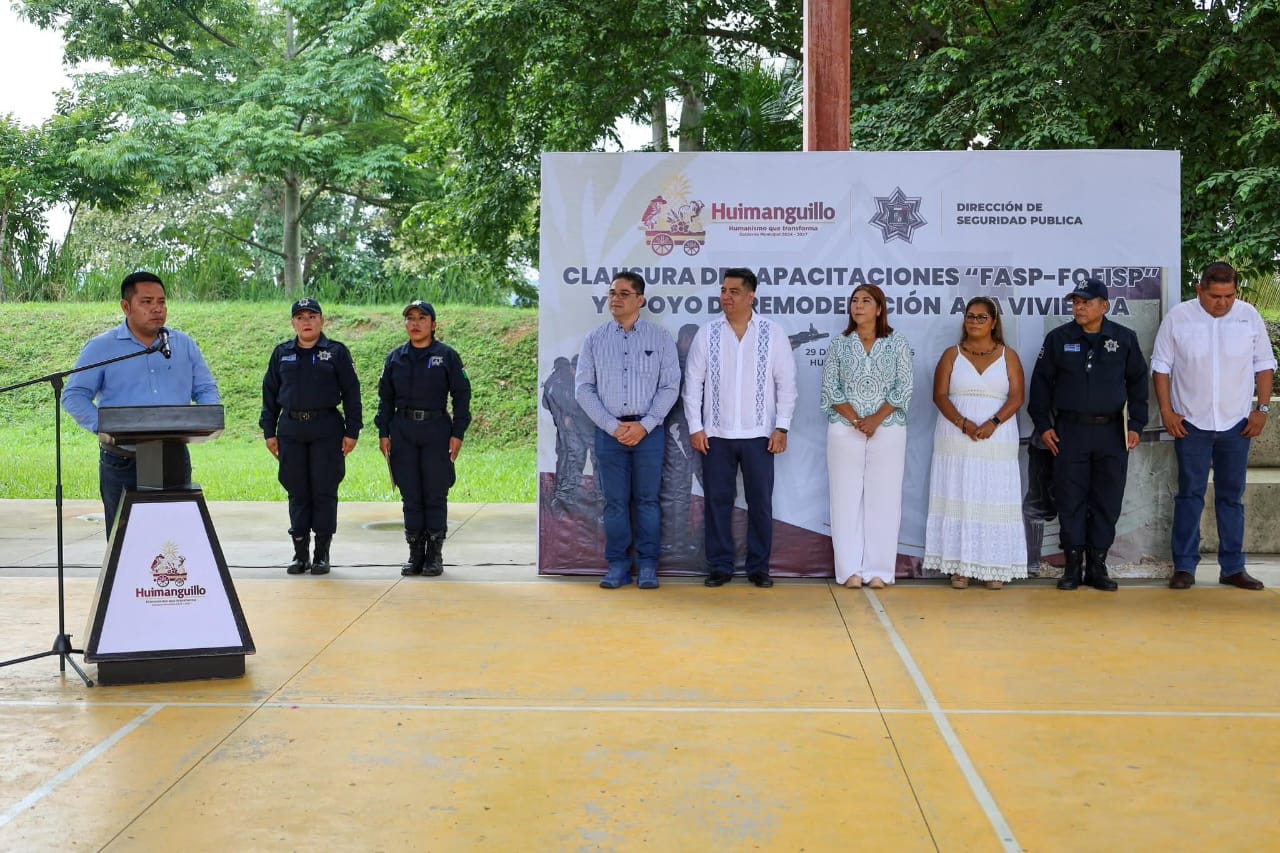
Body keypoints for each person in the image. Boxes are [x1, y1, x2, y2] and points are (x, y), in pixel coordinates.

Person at [63, 271, 220, 539]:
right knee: (125, 542)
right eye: (147, 302)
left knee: (173, 541)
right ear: (126, 306)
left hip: (172, 456)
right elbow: (74, 395)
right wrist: (102, 426)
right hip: (123, 460)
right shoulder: (103, 347)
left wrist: (209, 416)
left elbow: (205, 388)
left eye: (162, 301)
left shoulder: (183, 345)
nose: (157, 309)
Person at [1152, 261, 1276, 591]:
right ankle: (1184, 567)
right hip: (1191, 424)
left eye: (1229, 296)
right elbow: (1161, 367)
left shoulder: (1249, 317)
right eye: (1215, 296)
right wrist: (1167, 411)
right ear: (1200, 290)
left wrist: (1261, 410)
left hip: (1237, 425)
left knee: (1231, 497)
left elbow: (1264, 366)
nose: (1222, 303)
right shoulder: (1179, 317)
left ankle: (1233, 567)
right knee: (1190, 495)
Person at [1028, 278, 1149, 591]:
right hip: (1071, 432)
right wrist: (1044, 426)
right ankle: (1072, 568)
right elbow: (1040, 385)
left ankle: (1097, 566)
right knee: (1071, 500)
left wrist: (1136, 424)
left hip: (1112, 433)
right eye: (1075, 302)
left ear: (1104, 306)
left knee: (1107, 500)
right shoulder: (1058, 339)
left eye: (1086, 302)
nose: (1079, 307)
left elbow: (1138, 384)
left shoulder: (1124, 339)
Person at [683, 268, 798, 588]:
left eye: (734, 291)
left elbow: (786, 384)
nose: (726, 297)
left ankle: (758, 567)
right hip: (715, 435)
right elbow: (692, 384)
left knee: (761, 503)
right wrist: (695, 426)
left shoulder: (772, 333)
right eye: (723, 291)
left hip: (760, 435)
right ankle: (720, 565)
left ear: (751, 296)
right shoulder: (708, 333)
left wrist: (782, 428)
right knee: (717, 501)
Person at [574, 271, 680, 589]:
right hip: (610, 433)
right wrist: (612, 426)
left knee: (647, 500)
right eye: (612, 293)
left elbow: (670, 386)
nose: (616, 299)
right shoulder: (594, 340)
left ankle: (648, 565)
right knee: (614, 502)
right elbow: (583, 389)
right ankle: (618, 565)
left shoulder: (659, 338)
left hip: (649, 432)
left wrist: (645, 425)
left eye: (623, 293)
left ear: (640, 299)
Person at [923, 297, 1028, 590]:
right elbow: (940, 396)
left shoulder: (1009, 355)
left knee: (993, 497)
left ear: (994, 322)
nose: (974, 322)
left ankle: (993, 566)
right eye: (970, 316)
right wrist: (963, 423)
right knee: (959, 493)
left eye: (982, 317)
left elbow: (1018, 397)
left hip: (997, 435)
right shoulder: (951, 354)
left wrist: (993, 423)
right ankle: (960, 567)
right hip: (956, 436)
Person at [819, 283, 914, 589]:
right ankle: (850, 571)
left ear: (879, 308)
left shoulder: (897, 342)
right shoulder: (840, 343)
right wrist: (859, 420)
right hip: (845, 429)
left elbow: (904, 388)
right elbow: (830, 390)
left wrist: (875, 420)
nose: (858, 306)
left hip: (888, 429)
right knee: (845, 498)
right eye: (854, 301)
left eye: (866, 301)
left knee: (884, 498)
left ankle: (879, 571)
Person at [260, 298, 362, 576]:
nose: (306, 322)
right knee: (297, 490)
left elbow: (352, 393)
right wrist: (269, 432)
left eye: (312, 316)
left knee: (324, 491)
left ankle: (321, 554)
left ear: (322, 320)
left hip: (326, 429)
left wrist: (353, 431)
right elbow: (269, 395)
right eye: (301, 317)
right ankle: (300, 553)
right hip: (291, 429)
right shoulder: (282, 353)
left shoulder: (336, 352)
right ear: (293, 323)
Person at [375, 300, 472, 577]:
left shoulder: (447, 356)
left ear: (433, 324)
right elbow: (385, 399)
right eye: (410, 318)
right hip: (402, 430)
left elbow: (462, 395)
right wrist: (384, 432)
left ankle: (434, 555)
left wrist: (458, 432)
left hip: (436, 429)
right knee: (410, 493)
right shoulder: (395, 358)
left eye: (422, 318)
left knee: (435, 491)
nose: (415, 323)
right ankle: (415, 553)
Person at [660, 322, 704, 562]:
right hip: (678, 433)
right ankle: (674, 543)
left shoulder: (678, 361)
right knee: (678, 491)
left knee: (679, 490)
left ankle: (679, 542)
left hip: (685, 433)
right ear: (687, 339)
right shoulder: (679, 364)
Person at [541, 354, 592, 515]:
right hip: (572, 432)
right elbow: (552, 403)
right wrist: (564, 416)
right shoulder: (561, 382)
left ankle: (566, 498)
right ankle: (564, 500)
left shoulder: (586, 380)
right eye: (575, 368)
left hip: (582, 429)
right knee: (572, 461)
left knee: (573, 461)